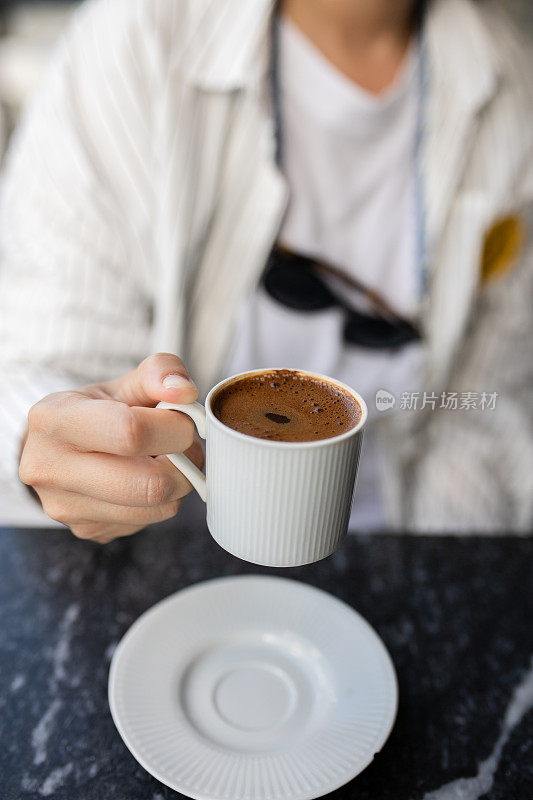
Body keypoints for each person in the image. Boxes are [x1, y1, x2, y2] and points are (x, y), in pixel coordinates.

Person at [0, 0, 532, 541]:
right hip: (162, 553)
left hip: (391, 548)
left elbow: (484, 413)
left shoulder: (514, 85)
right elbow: (43, 371)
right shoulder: (136, 42)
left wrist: (425, 572)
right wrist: (64, 447)